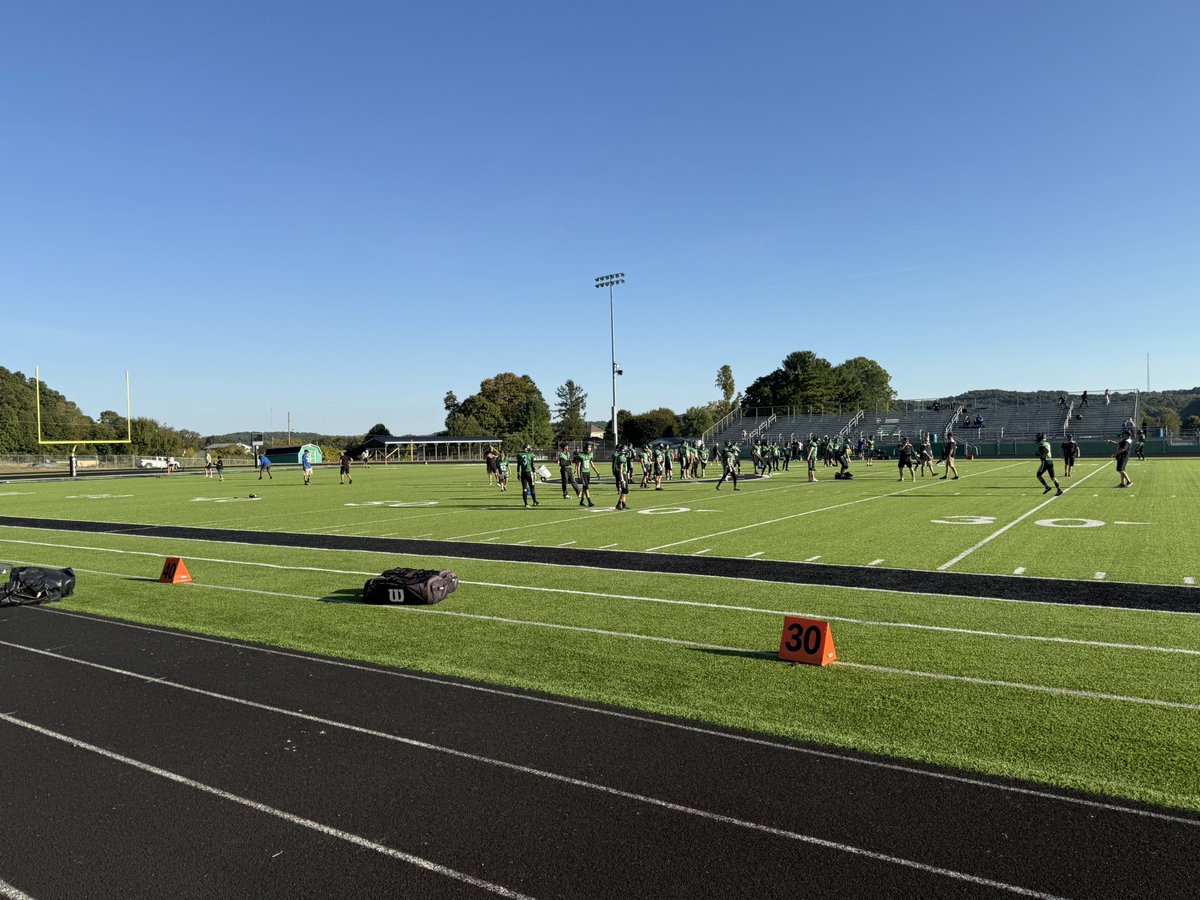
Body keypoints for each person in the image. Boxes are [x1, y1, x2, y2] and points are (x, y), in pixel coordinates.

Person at [576, 443, 597, 507]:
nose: (589, 450)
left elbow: (592, 464)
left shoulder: (590, 455)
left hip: (588, 472)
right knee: (586, 487)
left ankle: (581, 501)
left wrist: (597, 472)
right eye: (588, 449)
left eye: (590, 448)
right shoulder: (581, 455)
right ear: (585, 449)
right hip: (583, 473)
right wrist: (579, 476)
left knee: (584, 488)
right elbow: (578, 466)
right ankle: (589, 501)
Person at [612, 443, 630, 510]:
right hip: (622, 474)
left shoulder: (620, 456)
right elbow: (621, 469)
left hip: (623, 474)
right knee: (624, 490)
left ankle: (624, 503)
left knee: (625, 490)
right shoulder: (621, 457)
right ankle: (619, 503)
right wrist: (622, 478)